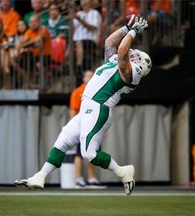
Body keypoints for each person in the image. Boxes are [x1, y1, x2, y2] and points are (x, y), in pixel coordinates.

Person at [15, 14, 150, 195]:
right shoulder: (118, 62)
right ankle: (40, 176)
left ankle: (123, 171)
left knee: (88, 154)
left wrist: (134, 31)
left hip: (99, 107)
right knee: (63, 140)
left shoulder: (131, 74)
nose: (135, 53)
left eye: (137, 55)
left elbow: (123, 50)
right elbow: (110, 42)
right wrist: (127, 27)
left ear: (139, 65)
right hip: (89, 106)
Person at [70, 70, 104, 188]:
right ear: (83, 78)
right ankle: (78, 179)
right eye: (89, 75)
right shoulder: (77, 92)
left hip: (94, 127)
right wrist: (78, 128)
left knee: (92, 152)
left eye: (92, 75)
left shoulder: (97, 91)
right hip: (83, 128)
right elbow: (73, 112)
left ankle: (91, 178)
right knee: (79, 153)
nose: (91, 77)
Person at [73, 0, 102, 86]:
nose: (83, 2)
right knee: (74, 44)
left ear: (90, 2)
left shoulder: (95, 13)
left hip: (90, 40)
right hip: (77, 40)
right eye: (82, 1)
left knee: (79, 43)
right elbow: (73, 28)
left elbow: (92, 27)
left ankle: (79, 68)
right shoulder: (78, 14)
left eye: (85, 0)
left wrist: (80, 20)